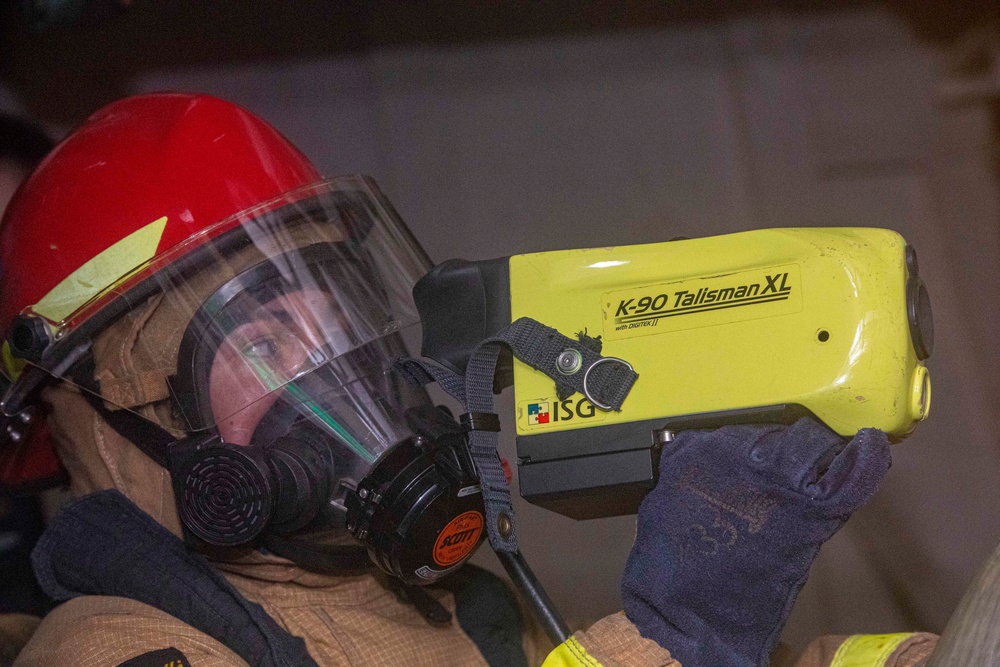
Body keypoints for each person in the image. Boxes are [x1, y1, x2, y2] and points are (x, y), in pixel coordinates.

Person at [0, 93, 897, 667]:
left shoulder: (438, 605)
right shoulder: (122, 652)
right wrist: (677, 633)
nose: (340, 370)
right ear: (114, 433)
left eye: (343, 320)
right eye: (271, 344)